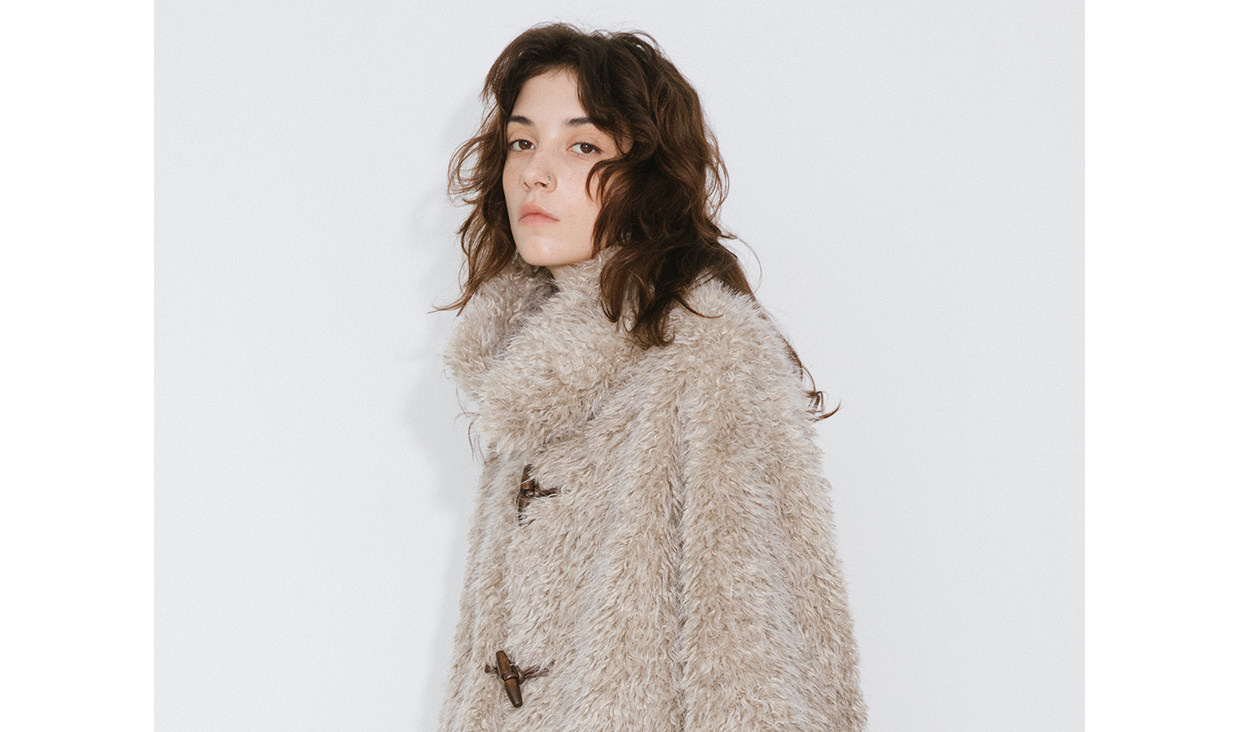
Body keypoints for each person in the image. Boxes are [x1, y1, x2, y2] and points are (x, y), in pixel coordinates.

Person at [437, 23, 865, 731]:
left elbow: (754, 661)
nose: (535, 173)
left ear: (648, 176)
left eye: (583, 146)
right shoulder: (524, 365)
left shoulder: (710, 355)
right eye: (521, 142)